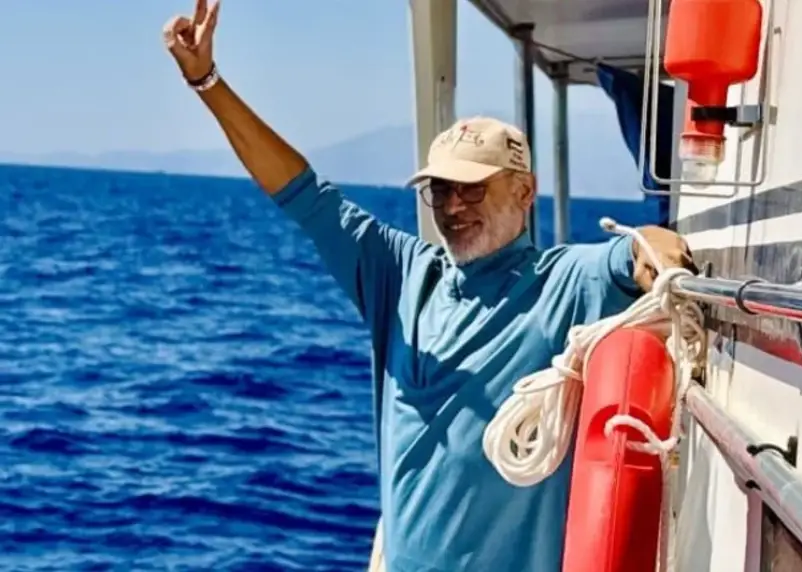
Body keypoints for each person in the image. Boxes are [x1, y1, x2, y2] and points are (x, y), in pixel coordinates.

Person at [162, 2, 697, 571]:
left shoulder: (564, 280)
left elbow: (635, 253)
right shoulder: (400, 274)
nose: (452, 206)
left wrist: (658, 251)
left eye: (472, 189)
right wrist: (206, 81)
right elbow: (303, 194)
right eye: (440, 191)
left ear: (524, 192)